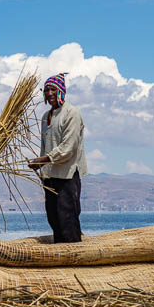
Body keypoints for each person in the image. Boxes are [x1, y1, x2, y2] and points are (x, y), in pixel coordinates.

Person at [28, 73, 88, 243]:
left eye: (53, 89)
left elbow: (68, 148)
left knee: (67, 218)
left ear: (61, 91)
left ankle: (74, 256)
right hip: (50, 176)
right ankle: (61, 253)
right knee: (53, 218)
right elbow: (44, 147)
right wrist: (40, 166)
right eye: (46, 90)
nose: (49, 93)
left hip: (67, 175)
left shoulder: (72, 113)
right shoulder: (45, 117)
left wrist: (42, 160)